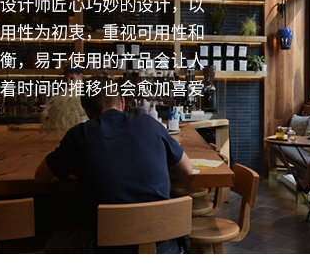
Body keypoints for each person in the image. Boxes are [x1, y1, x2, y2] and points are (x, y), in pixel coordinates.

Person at [34, 76, 194, 253]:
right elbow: (187, 169)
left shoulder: (79, 135)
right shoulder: (150, 124)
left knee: (53, 241)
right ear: (122, 102)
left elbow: (40, 177)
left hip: (106, 249)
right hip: (163, 249)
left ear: (86, 111)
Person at [40, 66, 88, 136]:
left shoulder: (89, 94)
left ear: (81, 77)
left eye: (72, 78)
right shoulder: (63, 97)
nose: (68, 82)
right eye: (66, 79)